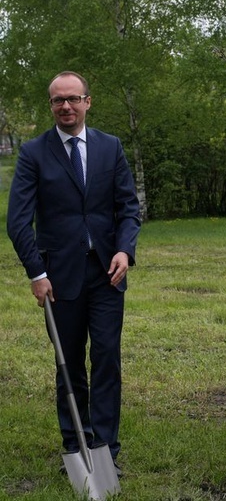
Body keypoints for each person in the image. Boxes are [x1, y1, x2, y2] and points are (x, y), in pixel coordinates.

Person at [7, 71, 141, 474]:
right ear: (51, 106)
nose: (65, 106)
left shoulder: (110, 147)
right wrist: (36, 272)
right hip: (57, 277)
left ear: (87, 101)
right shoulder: (33, 153)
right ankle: (75, 446)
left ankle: (105, 451)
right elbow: (18, 221)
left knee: (106, 359)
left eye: (73, 98)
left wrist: (124, 250)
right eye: (57, 100)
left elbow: (128, 208)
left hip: (106, 274)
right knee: (69, 365)